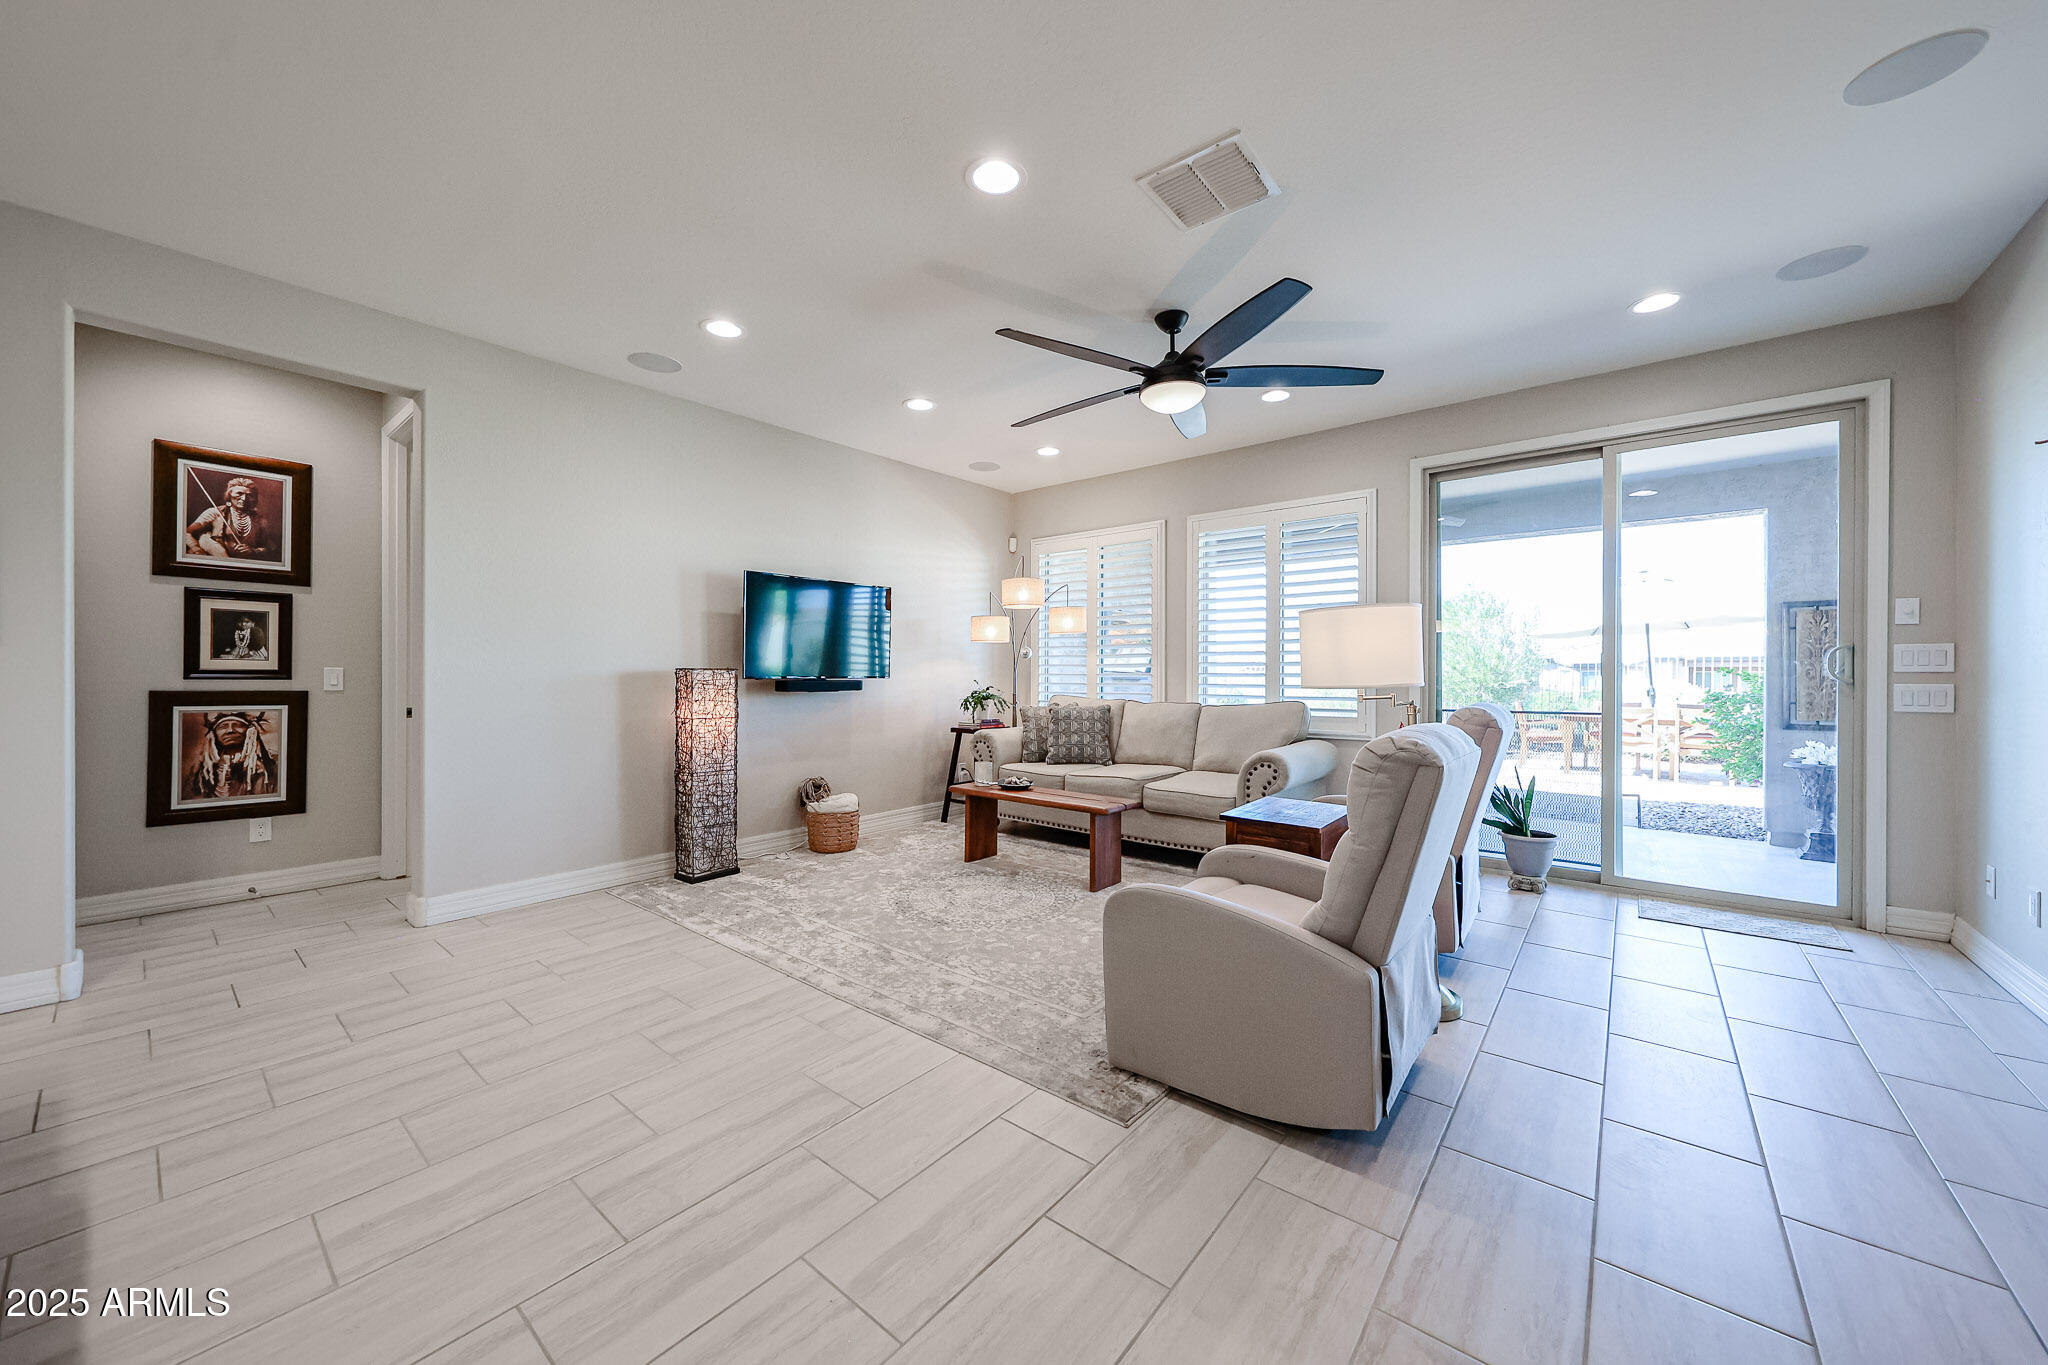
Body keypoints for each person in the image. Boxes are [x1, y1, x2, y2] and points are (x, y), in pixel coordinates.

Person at [184, 711, 279, 801]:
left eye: (237, 725)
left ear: (250, 731)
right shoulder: (201, 773)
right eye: (223, 726)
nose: (230, 730)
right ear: (213, 734)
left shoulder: (268, 768)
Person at [185, 476, 274, 560]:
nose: (244, 498)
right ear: (230, 494)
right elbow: (186, 532)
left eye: (249, 495)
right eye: (239, 493)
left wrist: (253, 551)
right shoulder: (216, 512)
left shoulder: (259, 519)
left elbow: (269, 548)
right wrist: (197, 549)